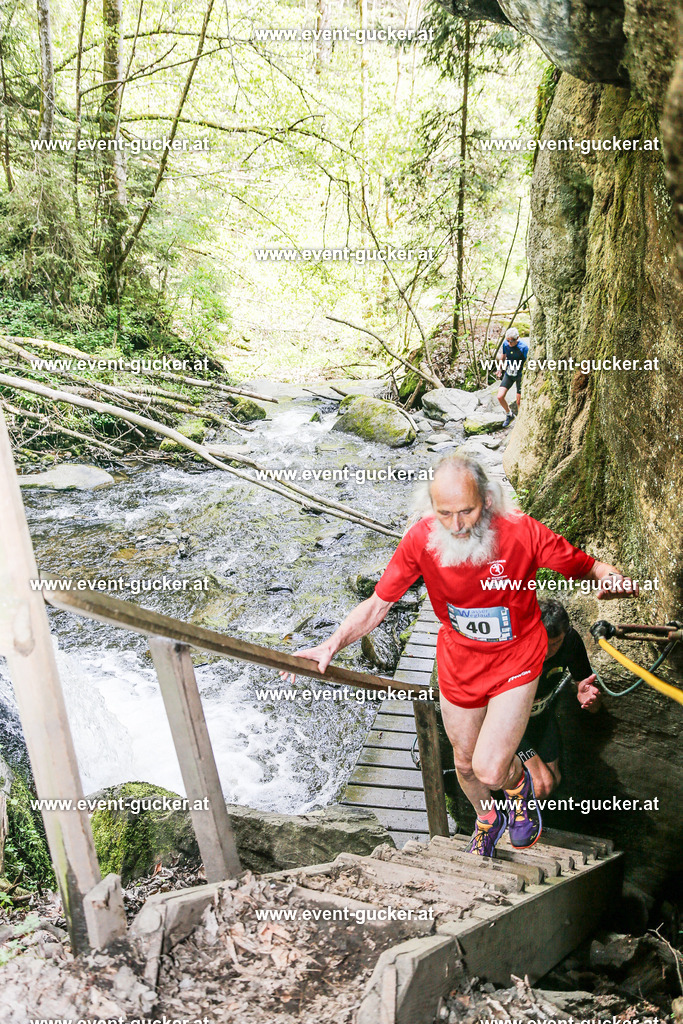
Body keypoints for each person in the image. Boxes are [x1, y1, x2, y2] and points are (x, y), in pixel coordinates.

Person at [281, 454, 638, 857]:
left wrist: (611, 578)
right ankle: (488, 818)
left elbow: (586, 566)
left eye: (465, 510)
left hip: (516, 660)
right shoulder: (421, 539)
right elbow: (379, 603)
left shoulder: (521, 533)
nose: (455, 524)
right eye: (444, 512)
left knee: (490, 768)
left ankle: (519, 793)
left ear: (487, 500)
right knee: (466, 766)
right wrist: (332, 643)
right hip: (459, 662)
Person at [517, 599, 601, 800]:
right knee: (542, 783)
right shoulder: (514, 644)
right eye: (542, 643)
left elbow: (591, 702)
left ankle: (522, 818)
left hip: (541, 715)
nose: (547, 651)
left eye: (555, 644)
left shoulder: (571, 641)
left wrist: (588, 697)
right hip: (509, 725)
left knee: (554, 779)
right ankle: (514, 824)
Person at [496, 326, 529, 427]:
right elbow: (503, 356)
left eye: (512, 341)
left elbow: (528, 362)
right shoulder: (506, 344)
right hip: (509, 372)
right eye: (508, 340)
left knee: (519, 400)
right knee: (500, 396)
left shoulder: (523, 347)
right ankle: (509, 414)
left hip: (520, 374)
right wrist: (499, 369)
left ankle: (520, 423)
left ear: (517, 338)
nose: (510, 343)